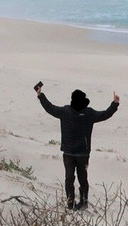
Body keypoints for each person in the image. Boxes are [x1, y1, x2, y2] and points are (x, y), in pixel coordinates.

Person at [34, 81, 120, 210]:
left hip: (82, 153)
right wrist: (41, 95)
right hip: (68, 152)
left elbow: (104, 115)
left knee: (82, 179)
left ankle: (83, 202)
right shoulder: (65, 111)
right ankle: (70, 204)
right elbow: (50, 108)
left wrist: (114, 104)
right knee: (69, 178)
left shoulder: (88, 113)